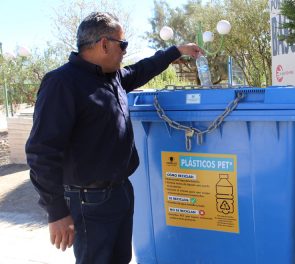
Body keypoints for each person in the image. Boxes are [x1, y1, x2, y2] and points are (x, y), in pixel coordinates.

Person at [25, 12, 202, 264]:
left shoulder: (112, 77)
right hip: (89, 201)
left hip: (120, 192)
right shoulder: (62, 83)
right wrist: (56, 211)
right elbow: (41, 152)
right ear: (104, 44)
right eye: (123, 44)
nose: (125, 51)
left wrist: (176, 50)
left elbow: (142, 69)